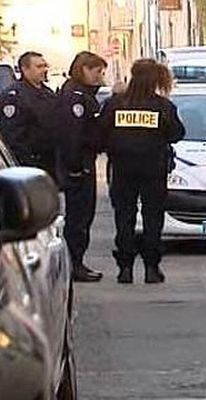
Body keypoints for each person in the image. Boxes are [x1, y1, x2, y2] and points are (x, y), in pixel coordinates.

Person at [100, 59, 185, 284]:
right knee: (152, 218)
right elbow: (177, 133)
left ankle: (125, 268)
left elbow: (100, 133)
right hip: (153, 170)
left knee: (124, 217)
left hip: (122, 169)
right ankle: (151, 268)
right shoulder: (163, 106)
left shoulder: (115, 103)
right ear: (155, 79)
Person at [56, 51, 107, 283]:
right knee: (78, 218)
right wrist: (76, 167)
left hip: (84, 163)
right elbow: (72, 136)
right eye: (97, 71)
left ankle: (77, 262)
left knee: (84, 217)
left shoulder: (83, 95)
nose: (100, 76)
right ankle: (74, 264)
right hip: (78, 167)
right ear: (84, 69)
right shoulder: (75, 97)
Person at [0, 51, 57, 178]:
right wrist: (28, 163)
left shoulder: (48, 93)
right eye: (39, 67)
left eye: (44, 66)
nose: (44, 70)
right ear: (25, 69)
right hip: (29, 165)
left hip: (50, 162)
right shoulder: (14, 96)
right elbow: (13, 136)